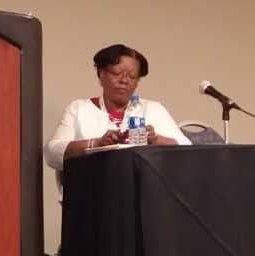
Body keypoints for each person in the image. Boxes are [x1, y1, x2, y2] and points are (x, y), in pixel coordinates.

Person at [44, 44, 191, 171]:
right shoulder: (79, 109)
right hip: (92, 193)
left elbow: (187, 151)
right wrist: (96, 144)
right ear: (101, 74)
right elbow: (52, 154)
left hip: (145, 194)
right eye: (116, 73)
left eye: (132, 76)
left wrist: (155, 139)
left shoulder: (153, 109)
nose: (124, 80)